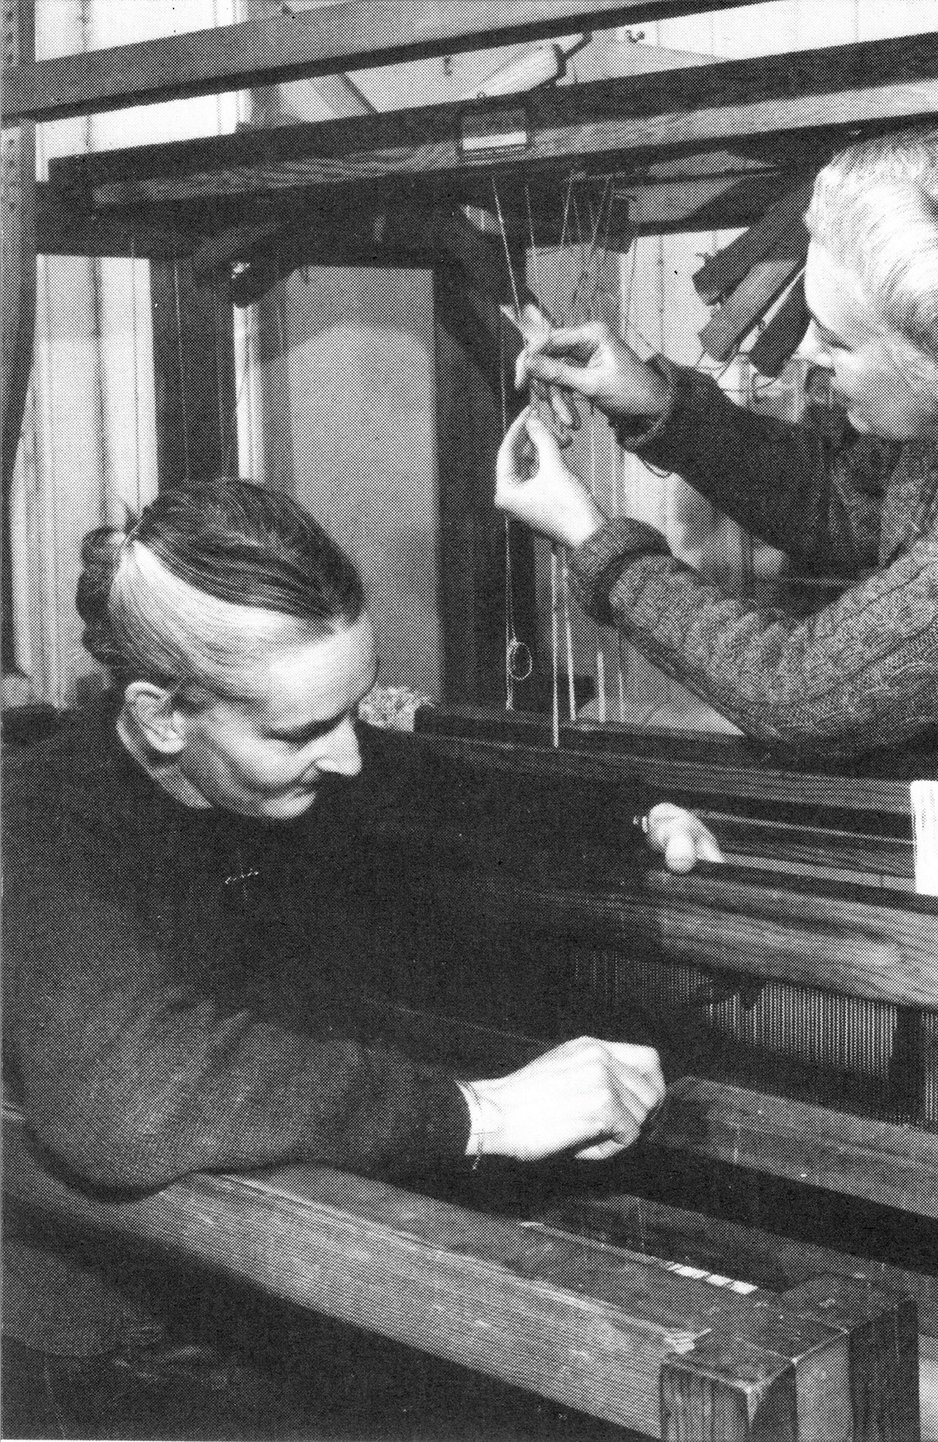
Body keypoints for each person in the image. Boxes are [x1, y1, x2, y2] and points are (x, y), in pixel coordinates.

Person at [2, 477, 715, 1438]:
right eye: (303, 731)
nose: (346, 757)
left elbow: (437, 783)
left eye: (353, 712)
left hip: (263, 1280)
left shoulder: (284, 763)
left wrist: (634, 812)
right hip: (109, 1356)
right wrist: (485, 1113)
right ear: (163, 715)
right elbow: (124, 1098)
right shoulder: (42, 824)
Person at [496, 128, 938, 774]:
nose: (805, 351)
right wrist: (651, 400)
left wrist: (595, 543)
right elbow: (840, 497)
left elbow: (801, 693)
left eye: (836, 341)